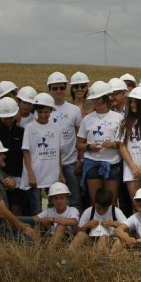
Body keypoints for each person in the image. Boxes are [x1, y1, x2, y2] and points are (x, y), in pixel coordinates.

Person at [77, 81, 124, 208]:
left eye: (99, 99)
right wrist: (89, 147)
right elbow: (79, 143)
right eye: (94, 99)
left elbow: (123, 143)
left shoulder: (118, 118)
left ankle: (112, 225)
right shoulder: (87, 119)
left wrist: (113, 144)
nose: (96, 102)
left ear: (106, 98)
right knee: (95, 202)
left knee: (112, 202)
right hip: (92, 162)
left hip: (112, 162)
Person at [21, 92, 64, 215]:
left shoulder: (56, 128)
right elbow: (26, 151)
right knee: (36, 208)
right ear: (36, 112)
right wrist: (30, 173)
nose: (43, 115)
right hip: (36, 172)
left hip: (51, 173)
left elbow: (58, 152)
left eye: (46, 112)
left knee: (53, 206)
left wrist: (60, 172)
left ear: (51, 111)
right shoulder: (30, 128)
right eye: (40, 112)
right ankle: (38, 233)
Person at [47, 72, 84, 209]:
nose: (58, 91)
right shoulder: (45, 111)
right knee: (53, 200)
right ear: (49, 90)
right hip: (50, 163)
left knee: (75, 198)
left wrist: (81, 159)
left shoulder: (74, 110)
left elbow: (80, 136)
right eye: (55, 88)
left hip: (71, 162)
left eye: (61, 88)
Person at [0, 97, 27, 216]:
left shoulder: (22, 132)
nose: (8, 120)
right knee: (1, 209)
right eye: (5, 117)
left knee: (16, 208)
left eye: (10, 117)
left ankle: (15, 233)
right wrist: (1, 176)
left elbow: (24, 156)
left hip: (18, 178)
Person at [71, 186, 128, 252]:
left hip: (110, 242)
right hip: (91, 241)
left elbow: (128, 229)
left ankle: (98, 259)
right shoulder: (89, 211)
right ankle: (66, 258)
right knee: (80, 235)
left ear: (109, 205)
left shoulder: (115, 211)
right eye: (98, 208)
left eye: (105, 209)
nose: (101, 211)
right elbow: (76, 232)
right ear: (94, 203)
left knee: (103, 238)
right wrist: (87, 225)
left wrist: (114, 223)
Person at [33, 182, 80, 248]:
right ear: (52, 200)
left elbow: (73, 221)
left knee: (61, 227)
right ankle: (37, 248)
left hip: (67, 240)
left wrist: (53, 219)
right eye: (56, 198)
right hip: (50, 237)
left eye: (61, 198)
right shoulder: (49, 210)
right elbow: (34, 219)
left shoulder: (73, 210)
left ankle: (49, 252)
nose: (59, 201)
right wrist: (43, 221)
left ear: (67, 199)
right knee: (38, 224)